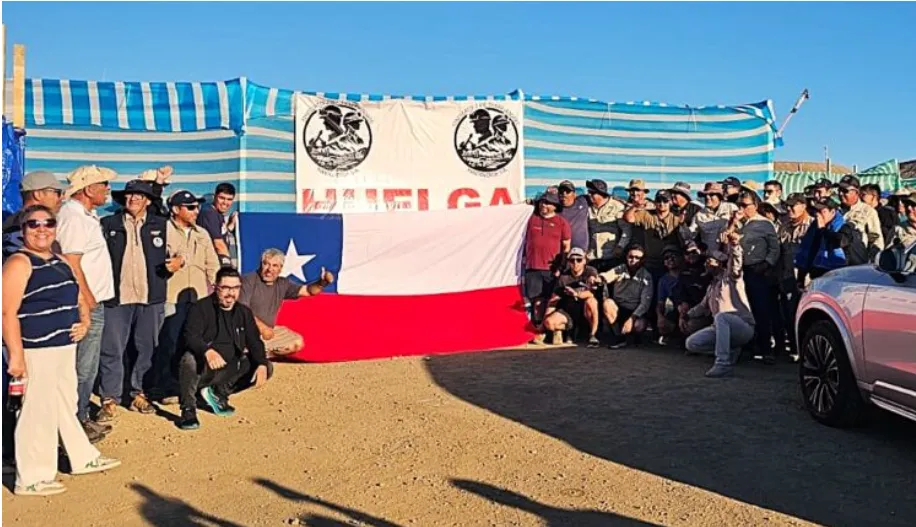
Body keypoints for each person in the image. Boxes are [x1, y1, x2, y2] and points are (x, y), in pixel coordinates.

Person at [2, 205, 120, 496]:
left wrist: (84, 321)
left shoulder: (60, 261)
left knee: (63, 404)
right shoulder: (19, 262)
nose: (41, 229)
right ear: (23, 230)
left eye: (48, 223)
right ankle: (31, 477)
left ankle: (82, 457)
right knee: (36, 412)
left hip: (63, 347)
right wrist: (16, 355)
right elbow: (7, 311)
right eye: (33, 224)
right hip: (36, 349)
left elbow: (79, 295)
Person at [96, 180, 180, 423]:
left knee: (146, 348)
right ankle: (109, 398)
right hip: (116, 298)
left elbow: (178, 253)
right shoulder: (108, 224)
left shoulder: (162, 225)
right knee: (111, 349)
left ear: (147, 201)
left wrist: (178, 262)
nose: (132, 199)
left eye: (138, 195)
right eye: (129, 195)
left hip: (150, 298)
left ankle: (137, 393)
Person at [55, 165, 117, 442]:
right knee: (82, 367)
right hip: (84, 303)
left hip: (93, 301)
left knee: (87, 366)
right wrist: (88, 301)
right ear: (89, 189)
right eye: (103, 184)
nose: (108, 189)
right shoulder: (73, 216)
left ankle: (80, 417)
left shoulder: (86, 216)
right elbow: (71, 262)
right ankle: (74, 423)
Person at [176, 267, 270, 430]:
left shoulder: (244, 312)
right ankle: (188, 410)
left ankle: (218, 393)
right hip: (203, 369)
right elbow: (190, 337)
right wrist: (207, 351)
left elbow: (254, 341)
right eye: (225, 288)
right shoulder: (200, 308)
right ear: (215, 287)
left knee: (265, 366)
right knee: (188, 359)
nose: (230, 293)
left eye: (235, 288)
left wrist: (261, 363)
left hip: (229, 368)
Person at [151, 190, 220, 402]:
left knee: (194, 343)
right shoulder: (161, 231)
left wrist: (220, 287)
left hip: (198, 298)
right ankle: (165, 387)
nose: (195, 211)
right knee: (169, 343)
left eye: (197, 207)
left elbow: (213, 265)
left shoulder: (202, 233)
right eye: (190, 207)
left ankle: (190, 386)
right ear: (175, 210)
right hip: (171, 296)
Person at [239, 248, 336, 357]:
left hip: (268, 332)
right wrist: (262, 328)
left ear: (280, 268)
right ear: (260, 264)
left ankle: (259, 353)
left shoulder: (283, 284)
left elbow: (308, 291)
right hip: (245, 331)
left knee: (296, 343)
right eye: (266, 264)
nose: (269, 269)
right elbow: (242, 310)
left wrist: (322, 282)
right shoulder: (248, 281)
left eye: (275, 266)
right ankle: (251, 352)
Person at [684, 233, 756, 378]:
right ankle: (730, 350)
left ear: (720, 263)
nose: (706, 264)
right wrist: (685, 315)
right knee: (691, 343)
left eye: (710, 261)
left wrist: (735, 245)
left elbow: (736, 263)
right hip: (720, 328)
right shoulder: (712, 286)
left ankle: (723, 364)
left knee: (722, 317)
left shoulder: (731, 278)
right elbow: (702, 307)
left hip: (742, 327)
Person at [727, 190, 779, 363]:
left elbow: (774, 248)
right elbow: (724, 239)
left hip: (758, 270)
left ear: (755, 206)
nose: (741, 208)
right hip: (739, 271)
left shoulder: (765, 224)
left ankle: (766, 349)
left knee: (761, 310)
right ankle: (747, 346)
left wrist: (766, 264)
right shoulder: (738, 223)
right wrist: (733, 223)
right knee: (742, 309)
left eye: (745, 205)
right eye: (739, 205)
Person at [523, 191, 571, 333]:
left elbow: (566, 246)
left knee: (551, 300)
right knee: (536, 300)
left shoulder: (562, 222)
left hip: (552, 268)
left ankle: (553, 330)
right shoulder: (531, 219)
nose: (544, 205)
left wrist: (560, 266)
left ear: (555, 206)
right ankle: (538, 329)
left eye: (548, 203)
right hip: (533, 266)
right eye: (542, 202)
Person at [795, 196, 865, 285]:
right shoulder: (814, 227)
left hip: (840, 275)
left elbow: (839, 242)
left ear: (832, 212)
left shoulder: (843, 227)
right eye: (817, 211)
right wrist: (801, 277)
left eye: (822, 211)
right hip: (818, 274)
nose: (818, 215)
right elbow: (808, 249)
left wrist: (823, 229)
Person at [540, 248, 602, 348]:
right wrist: (543, 325)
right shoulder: (563, 277)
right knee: (549, 323)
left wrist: (576, 294)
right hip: (569, 312)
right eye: (572, 260)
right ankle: (568, 330)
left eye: (579, 260)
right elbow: (553, 301)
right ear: (568, 262)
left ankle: (593, 334)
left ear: (584, 260)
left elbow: (591, 293)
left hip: (586, 311)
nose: (575, 263)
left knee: (592, 301)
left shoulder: (590, 271)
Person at [775, 194, 812, 357]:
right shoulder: (784, 226)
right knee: (788, 314)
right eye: (787, 206)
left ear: (803, 205)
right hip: (787, 276)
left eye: (793, 205)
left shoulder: (812, 225)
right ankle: (795, 349)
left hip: (807, 279)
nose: (789, 209)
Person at [2, 171, 66, 260]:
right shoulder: (22, 226)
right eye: (57, 192)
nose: (62, 197)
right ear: (38, 194)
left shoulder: (14, 222)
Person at [600, 244, 653, 349]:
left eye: (637, 258)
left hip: (635, 311)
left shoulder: (647, 276)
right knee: (607, 303)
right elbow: (606, 276)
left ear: (642, 260)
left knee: (639, 326)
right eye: (631, 257)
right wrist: (597, 278)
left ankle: (634, 337)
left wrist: (632, 319)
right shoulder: (620, 269)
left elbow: (645, 304)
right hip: (619, 309)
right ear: (626, 257)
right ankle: (618, 337)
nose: (633, 260)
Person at [834, 175, 884, 260]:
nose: (840, 194)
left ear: (856, 192)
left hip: (855, 262)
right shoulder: (833, 210)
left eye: (845, 191)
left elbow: (877, 241)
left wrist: (870, 261)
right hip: (833, 261)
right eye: (839, 190)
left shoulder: (868, 211)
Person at [585, 179, 628, 272]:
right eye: (588, 192)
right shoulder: (587, 208)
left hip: (611, 256)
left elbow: (626, 230)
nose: (589, 195)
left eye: (592, 193)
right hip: (592, 257)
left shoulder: (617, 207)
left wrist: (620, 246)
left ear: (601, 193)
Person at [687, 182, 738, 254]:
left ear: (719, 197)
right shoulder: (699, 215)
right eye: (705, 195)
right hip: (709, 258)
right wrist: (693, 246)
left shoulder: (731, 208)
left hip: (730, 256)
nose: (707, 197)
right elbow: (690, 234)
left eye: (711, 195)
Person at [197, 182, 237, 268]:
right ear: (215, 197)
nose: (225, 202)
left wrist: (230, 226)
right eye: (222, 198)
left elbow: (219, 233)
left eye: (229, 199)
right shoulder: (209, 213)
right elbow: (218, 243)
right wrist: (229, 266)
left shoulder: (217, 213)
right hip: (210, 264)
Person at [655, 247, 683, 345]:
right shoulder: (663, 280)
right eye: (667, 258)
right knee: (663, 325)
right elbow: (660, 302)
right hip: (674, 309)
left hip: (688, 308)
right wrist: (660, 317)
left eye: (673, 257)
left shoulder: (687, 274)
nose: (670, 260)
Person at [557, 180, 590, 255]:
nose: (564, 194)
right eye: (561, 192)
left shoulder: (583, 201)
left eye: (568, 192)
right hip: (562, 252)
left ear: (574, 194)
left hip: (581, 251)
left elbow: (602, 197)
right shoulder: (554, 208)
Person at [860, 183, 898, 248]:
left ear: (874, 196)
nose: (860, 198)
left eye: (863, 195)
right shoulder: (861, 213)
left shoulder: (887, 214)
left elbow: (888, 236)